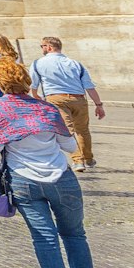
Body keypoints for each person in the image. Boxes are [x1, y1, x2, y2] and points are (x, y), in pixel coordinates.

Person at [0, 57, 104, 268]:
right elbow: (71, 146)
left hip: (24, 180)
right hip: (61, 177)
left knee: (45, 239)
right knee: (74, 234)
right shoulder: (46, 109)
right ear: (26, 81)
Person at [30, 36, 104, 172]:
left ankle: (77, 161)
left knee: (68, 130)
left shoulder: (38, 64)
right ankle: (88, 159)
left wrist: (36, 97)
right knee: (83, 130)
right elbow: (89, 86)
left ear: (49, 47)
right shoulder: (75, 63)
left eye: (42, 46)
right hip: (79, 99)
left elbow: (33, 85)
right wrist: (99, 105)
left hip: (56, 99)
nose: (41, 49)